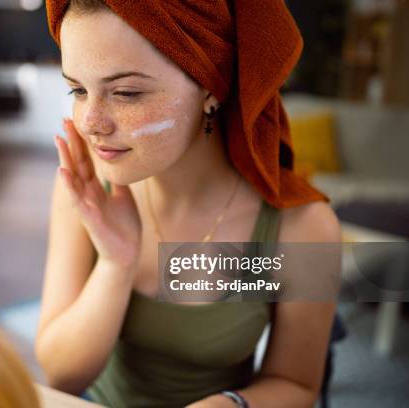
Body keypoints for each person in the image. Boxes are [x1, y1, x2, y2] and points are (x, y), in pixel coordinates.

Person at [35, 1, 341, 406]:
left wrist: (231, 404)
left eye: (126, 93)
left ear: (212, 88)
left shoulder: (303, 229)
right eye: (77, 89)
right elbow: (60, 376)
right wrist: (115, 265)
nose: (90, 122)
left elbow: (299, 385)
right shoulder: (88, 186)